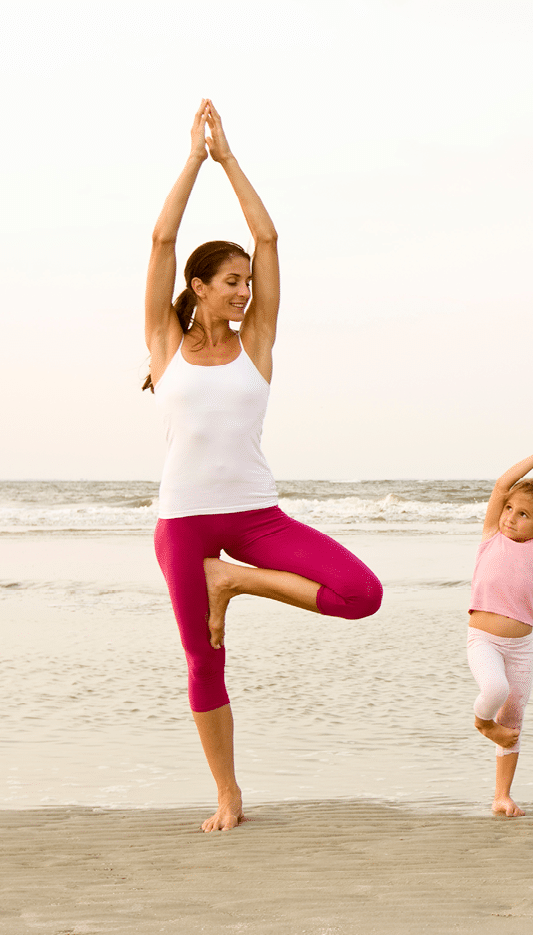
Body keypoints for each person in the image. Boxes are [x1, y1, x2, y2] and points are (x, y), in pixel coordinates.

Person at [145, 100, 382, 832]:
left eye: (250, 281)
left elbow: (269, 234)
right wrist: (192, 160)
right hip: (183, 520)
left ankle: (236, 581)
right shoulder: (163, 339)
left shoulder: (259, 341)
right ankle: (228, 793)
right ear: (200, 286)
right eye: (232, 281)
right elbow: (161, 238)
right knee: (203, 663)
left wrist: (229, 158)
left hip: (255, 517)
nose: (245, 290)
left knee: (360, 593)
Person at [467, 426, 533, 816]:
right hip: (483, 640)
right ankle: (481, 723)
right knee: (493, 689)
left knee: (512, 722)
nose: (511, 518)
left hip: (520, 648)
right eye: (510, 509)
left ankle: (502, 796)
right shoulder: (491, 534)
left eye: (523, 514)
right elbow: (501, 486)